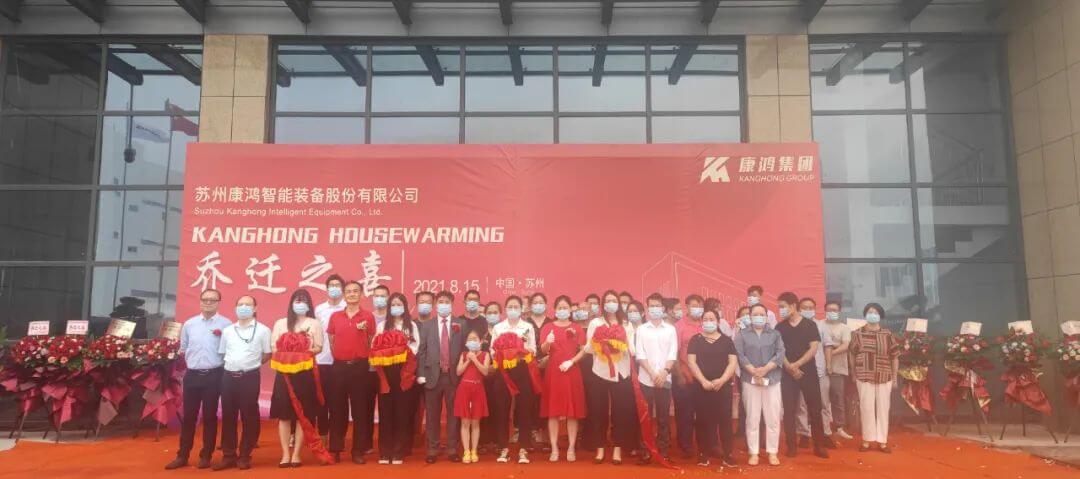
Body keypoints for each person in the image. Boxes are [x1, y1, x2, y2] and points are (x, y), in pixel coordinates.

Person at [166, 288, 230, 470]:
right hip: (192, 375)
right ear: (200, 301)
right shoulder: (189, 324)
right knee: (189, 417)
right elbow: (184, 347)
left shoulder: (226, 324)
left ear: (218, 303)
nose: (208, 303)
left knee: (210, 416)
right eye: (205, 299)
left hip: (214, 374)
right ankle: (182, 455)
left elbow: (229, 349)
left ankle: (206, 456)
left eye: (212, 300)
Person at [269, 289, 329, 467]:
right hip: (284, 374)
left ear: (309, 305)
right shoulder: (281, 323)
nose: (300, 304)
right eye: (297, 300)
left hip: (305, 373)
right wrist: (288, 350)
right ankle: (285, 454)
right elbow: (274, 347)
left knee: (305, 414)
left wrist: (302, 349)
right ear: (291, 303)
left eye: (304, 301)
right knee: (284, 415)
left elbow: (318, 347)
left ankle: (296, 454)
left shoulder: (314, 323)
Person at [213, 295, 272, 471]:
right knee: (228, 416)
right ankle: (228, 455)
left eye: (248, 304)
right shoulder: (228, 331)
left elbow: (267, 354)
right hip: (228, 377)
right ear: (235, 308)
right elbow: (223, 353)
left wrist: (250, 365)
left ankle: (245, 455)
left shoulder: (263, 330)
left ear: (255, 308)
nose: (243, 307)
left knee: (249, 416)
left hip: (249, 377)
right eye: (240, 304)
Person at [325, 281, 377, 464]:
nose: (352, 294)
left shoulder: (368, 316)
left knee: (360, 410)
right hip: (338, 367)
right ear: (344, 295)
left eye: (355, 291)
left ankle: (358, 450)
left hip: (359, 367)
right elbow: (331, 339)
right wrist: (340, 356)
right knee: (337, 409)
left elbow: (371, 340)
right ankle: (336, 449)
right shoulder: (335, 316)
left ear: (361, 294)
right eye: (348, 291)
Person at [774, 292, 828, 459]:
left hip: (808, 372)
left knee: (815, 409)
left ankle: (819, 446)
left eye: (783, 307)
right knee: (789, 411)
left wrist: (797, 364)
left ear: (793, 306)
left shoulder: (810, 325)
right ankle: (792, 446)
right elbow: (779, 350)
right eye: (779, 307)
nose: (781, 310)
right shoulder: (780, 327)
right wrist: (789, 366)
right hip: (787, 374)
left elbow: (813, 348)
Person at [585, 290, 637, 465]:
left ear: (619, 304)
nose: (611, 303)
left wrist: (620, 343)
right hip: (600, 371)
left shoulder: (627, 324)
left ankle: (617, 448)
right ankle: (599, 447)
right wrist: (600, 343)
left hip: (621, 372)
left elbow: (632, 350)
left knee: (620, 411)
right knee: (598, 410)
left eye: (614, 300)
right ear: (603, 304)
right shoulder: (595, 322)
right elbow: (588, 349)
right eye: (607, 300)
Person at [417, 291, 466, 463]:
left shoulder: (461, 324)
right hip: (432, 376)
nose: (444, 304)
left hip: (454, 377)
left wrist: (463, 372)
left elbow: (465, 350)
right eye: (441, 301)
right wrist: (421, 373)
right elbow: (421, 352)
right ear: (436, 304)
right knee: (432, 416)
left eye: (447, 302)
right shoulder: (427, 325)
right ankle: (432, 448)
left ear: (452, 304)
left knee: (454, 415)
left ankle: (452, 448)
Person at [489, 296, 539, 464]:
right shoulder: (498, 327)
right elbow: (492, 351)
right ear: (505, 309)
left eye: (516, 306)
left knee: (525, 409)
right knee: (501, 409)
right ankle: (503, 447)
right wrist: (504, 353)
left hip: (522, 370)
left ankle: (524, 448)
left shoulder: (527, 327)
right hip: (503, 371)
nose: (512, 309)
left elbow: (533, 349)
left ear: (521, 309)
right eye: (510, 306)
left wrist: (519, 352)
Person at [734, 303, 785, 466]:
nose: (758, 317)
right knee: (752, 417)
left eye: (761, 314)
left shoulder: (775, 334)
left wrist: (766, 369)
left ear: (766, 316)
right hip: (750, 380)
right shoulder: (742, 334)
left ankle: (772, 452)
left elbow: (780, 353)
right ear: (750, 316)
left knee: (773, 417)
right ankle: (753, 452)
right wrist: (753, 370)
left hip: (772, 379)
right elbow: (739, 354)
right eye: (755, 314)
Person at [373, 292, 421, 465]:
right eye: (393, 304)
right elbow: (375, 346)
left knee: (402, 412)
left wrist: (401, 350)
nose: (396, 307)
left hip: (404, 372)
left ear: (405, 307)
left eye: (399, 304)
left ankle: (399, 451)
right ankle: (385, 451)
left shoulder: (411, 325)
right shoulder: (382, 325)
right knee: (386, 412)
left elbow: (415, 347)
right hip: (386, 372)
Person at [539, 295, 587, 462]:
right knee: (553, 412)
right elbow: (543, 350)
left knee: (571, 412)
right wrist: (547, 341)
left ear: (570, 310)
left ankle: (571, 447)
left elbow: (584, 349)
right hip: (553, 372)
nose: (562, 310)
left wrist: (572, 361)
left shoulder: (576, 327)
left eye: (565, 307)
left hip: (572, 371)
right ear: (554, 310)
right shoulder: (548, 327)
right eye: (559, 308)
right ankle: (554, 448)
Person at [687, 309, 738, 468]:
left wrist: (722, 380)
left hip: (723, 387)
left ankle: (728, 454)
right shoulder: (695, 340)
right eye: (706, 319)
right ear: (701, 321)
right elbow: (691, 362)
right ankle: (703, 454)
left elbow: (732, 362)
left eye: (712, 319)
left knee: (725, 421)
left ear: (718, 321)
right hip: (701, 387)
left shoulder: (727, 340)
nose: (709, 321)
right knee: (703, 420)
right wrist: (703, 381)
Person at [634, 293, 678, 464]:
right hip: (646, 379)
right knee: (645, 417)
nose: (654, 308)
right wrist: (653, 374)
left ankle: (663, 451)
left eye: (657, 305)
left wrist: (664, 372)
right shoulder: (641, 329)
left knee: (663, 417)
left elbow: (672, 353)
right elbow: (640, 354)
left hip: (665, 379)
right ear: (647, 308)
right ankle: (645, 451)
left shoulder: (670, 329)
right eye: (651, 305)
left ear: (663, 308)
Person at [850, 303, 900, 453]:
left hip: (884, 375)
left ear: (880, 315)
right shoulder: (857, 334)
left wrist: (895, 378)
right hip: (864, 375)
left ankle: (882, 441)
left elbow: (895, 357)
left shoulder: (888, 334)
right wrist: (853, 373)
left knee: (883, 409)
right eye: (870, 312)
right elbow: (852, 354)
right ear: (865, 315)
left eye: (875, 312)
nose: (872, 314)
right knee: (866, 408)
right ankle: (866, 440)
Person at [795, 297, 837, 449]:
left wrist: (829, 364)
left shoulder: (821, 326)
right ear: (799, 309)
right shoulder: (795, 326)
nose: (808, 310)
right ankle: (804, 434)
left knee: (824, 404)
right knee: (801, 405)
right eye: (804, 307)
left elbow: (828, 346)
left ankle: (825, 433)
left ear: (814, 309)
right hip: (801, 371)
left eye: (810, 307)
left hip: (820, 370)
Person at [314, 274, 346, 442]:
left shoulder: (347, 307)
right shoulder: (319, 309)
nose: (334, 288)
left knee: (338, 401)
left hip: (341, 362)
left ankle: (337, 436)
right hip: (321, 360)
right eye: (331, 285)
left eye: (337, 285)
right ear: (326, 289)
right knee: (321, 400)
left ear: (343, 289)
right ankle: (323, 433)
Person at [673, 294, 705, 458]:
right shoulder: (679, 326)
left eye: (700, 305)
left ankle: (704, 443)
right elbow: (674, 353)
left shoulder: (706, 324)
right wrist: (679, 375)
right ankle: (685, 444)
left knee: (703, 413)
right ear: (687, 307)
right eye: (694, 305)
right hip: (685, 377)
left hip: (704, 379)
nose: (697, 308)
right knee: (685, 414)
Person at [455, 330, 491, 464]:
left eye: (475, 339)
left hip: (478, 389)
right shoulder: (464, 354)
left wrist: (475, 359)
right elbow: (458, 372)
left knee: (475, 422)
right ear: (466, 343)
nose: (472, 341)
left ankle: (474, 450)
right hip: (464, 389)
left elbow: (485, 371)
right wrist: (467, 360)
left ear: (480, 341)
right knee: (465, 422)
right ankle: (466, 451)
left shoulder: (485, 355)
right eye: (469, 339)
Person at [823, 300, 854, 440]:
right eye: (829, 309)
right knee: (821, 400)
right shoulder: (819, 325)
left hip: (838, 368)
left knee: (837, 398)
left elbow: (845, 346)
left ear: (839, 311)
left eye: (834, 310)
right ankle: (822, 428)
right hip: (821, 369)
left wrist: (829, 353)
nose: (832, 312)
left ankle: (839, 427)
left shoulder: (844, 328)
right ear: (825, 311)